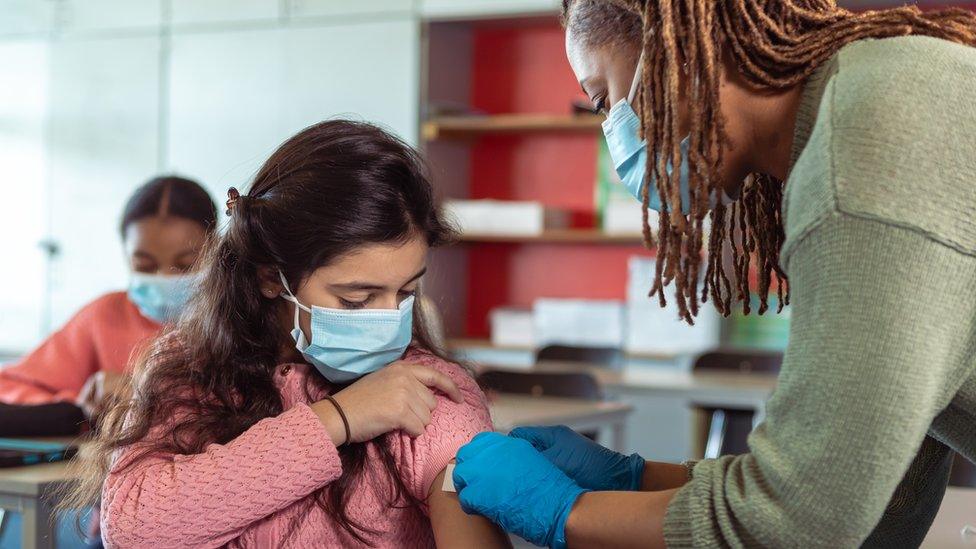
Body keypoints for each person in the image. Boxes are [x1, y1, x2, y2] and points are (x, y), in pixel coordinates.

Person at [452, 1, 976, 547]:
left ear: (673, 39)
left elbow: (798, 520)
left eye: (605, 100)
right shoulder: (877, 102)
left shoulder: (868, 153)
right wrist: (636, 481)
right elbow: (883, 507)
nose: (616, 137)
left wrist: (570, 514)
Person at [64, 120, 512, 548]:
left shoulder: (427, 395)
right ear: (271, 278)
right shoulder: (187, 370)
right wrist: (337, 419)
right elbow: (135, 528)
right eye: (356, 299)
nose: (388, 318)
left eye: (407, 290)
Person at [0, 176, 217, 435]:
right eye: (145, 267)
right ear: (126, 255)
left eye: (185, 265)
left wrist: (144, 395)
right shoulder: (103, 315)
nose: (164, 278)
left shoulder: (237, 321)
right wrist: (85, 405)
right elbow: (10, 386)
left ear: (216, 251)